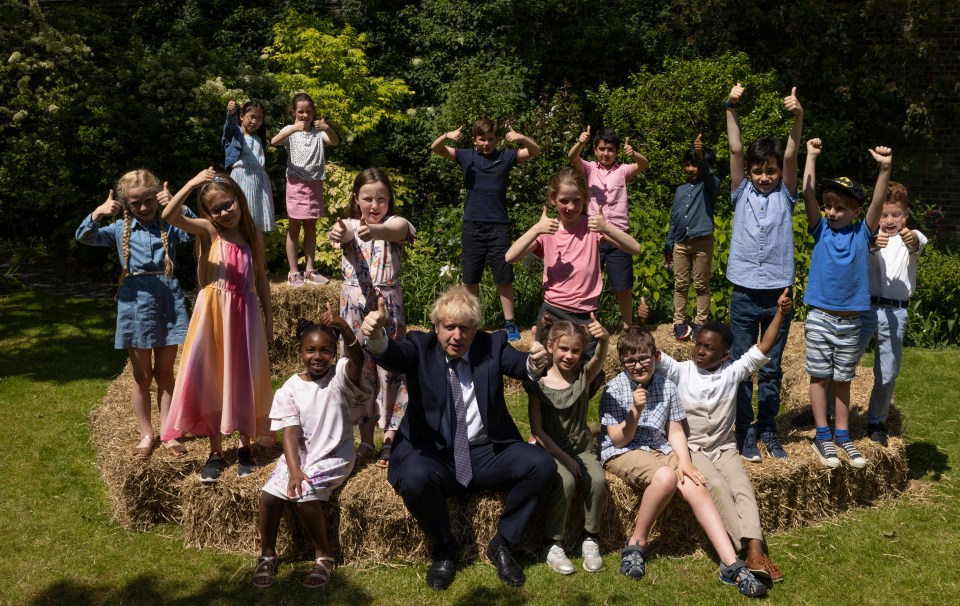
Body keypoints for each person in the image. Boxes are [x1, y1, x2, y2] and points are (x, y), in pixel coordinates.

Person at [360, 285, 556, 590]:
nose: (456, 335)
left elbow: (520, 365)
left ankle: (503, 543)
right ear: (436, 327)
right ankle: (444, 548)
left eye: (464, 328)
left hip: (486, 452)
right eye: (449, 327)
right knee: (414, 478)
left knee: (542, 465)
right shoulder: (420, 346)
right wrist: (376, 337)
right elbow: (395, 356)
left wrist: (536, 361)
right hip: (435, 454)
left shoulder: (491, 345)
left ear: (475, 329)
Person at [599, 326, 767, 597]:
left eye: (644, 358)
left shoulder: (666, 385)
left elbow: (675, 428)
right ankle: (635, 544)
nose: (638, 365)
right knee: (666, 476)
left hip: (659, 446)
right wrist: (635, 411)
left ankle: (731, 564)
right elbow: (618, 439)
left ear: (655, 357)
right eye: (631, 360)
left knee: (694, 482)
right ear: (621, 362)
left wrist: (686, 462)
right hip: (625, 450)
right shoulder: (615, 388)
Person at [655, 293, 792, 584]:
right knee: (715, 485)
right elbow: (652, 354)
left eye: (708, 348)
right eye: (698, 344)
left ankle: (756, 552)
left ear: (725, 354)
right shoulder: (681, 371)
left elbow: (764, 346)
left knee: (742, 486)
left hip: (724, 447)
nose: (700, 351)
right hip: (692, 450)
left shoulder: (733, 372)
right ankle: (742, 552)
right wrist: (640, 322)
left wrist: (779, 314)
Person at [160, 168, 274, 483]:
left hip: (245, 314)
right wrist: (193, 183)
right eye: (216, 209)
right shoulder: (210, 232)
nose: (225, 212)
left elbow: (262, 279)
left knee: (242, 377)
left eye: (229, 203)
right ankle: (215, 450)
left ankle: (245, 447)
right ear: (208, 213)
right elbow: (169, 215)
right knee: (211, 377)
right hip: (213, 314)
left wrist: (269, 318)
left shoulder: (253, 235)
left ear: (238, 198)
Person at [75, 169, 192, 459]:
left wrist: (177, 203)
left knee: (165, 373)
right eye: (136, 203)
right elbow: (84, 236)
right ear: (126, 204)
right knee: (142, 376)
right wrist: (99, 212)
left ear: (157, 196)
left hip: (168, 300)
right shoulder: (118, 230)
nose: (143, 207)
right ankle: (146, 433)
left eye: (149, 200)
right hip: (134, 302)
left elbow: (195, 230)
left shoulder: (170, 222)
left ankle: (167, 433)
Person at [253, 308, 369, 589]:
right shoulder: (290, 388)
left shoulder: (340, 375)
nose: (318, 357)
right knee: (269, 495)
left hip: (335, 455)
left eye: (325, 350)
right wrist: (293, 470)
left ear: (333, 352)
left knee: (304, 495)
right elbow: (290, 433)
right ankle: (267, 553)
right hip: (300, 456)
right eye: (311, 350)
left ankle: (323, 556)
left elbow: (358, 359)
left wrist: (344, 327)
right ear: (300, 352)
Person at [724, 83, 803, 462]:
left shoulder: (786, 195)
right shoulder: (741, 192)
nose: (764, 176)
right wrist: (730, 108)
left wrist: (797, 117)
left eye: (769, 170)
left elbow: (791, 153)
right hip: (742, 292)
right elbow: (735, 149)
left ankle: (768, 430)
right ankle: (744, 433)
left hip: (777, 296)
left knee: (770, 369)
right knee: (741, 365)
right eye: (758, 171)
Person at [801, 139, 891, 469]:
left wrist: (885, 169)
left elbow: (878, 204)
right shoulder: (821, 229)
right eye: (830, 206)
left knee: (843, 378)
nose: (833, 212)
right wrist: (810, 156)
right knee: (819, 376)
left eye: (841, 208)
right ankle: (821, 434)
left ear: (855, 211)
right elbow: (808, 194)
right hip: (821, 316)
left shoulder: (863, 234)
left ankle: (843, 435)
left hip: (851, 319)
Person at [505, 168, 641, 361]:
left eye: (577, 200)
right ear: (553, 199)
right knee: (544, 371)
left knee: (585, 375)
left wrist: (606, 227)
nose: (570, 207)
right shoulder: (548, 230)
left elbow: (635, 248)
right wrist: (536, 229)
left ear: (585, 198)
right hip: (552, 312)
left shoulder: (593, 227)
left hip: (586, 315)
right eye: (564, 201)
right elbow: (510, 257)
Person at [328, 168, 415, 466]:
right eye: (368, 199)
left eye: (381, 198)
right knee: (358, 368)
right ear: (356, 199)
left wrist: (375, 230)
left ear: (389, 200)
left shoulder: (393, 223)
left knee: (390, 370)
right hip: (353, 305)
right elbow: (345, 233)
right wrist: (343, 233)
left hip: (387, 305)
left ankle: (390, 437)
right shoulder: (349, 224)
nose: (375, 205)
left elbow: (400, 228)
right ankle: (365, 439)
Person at [430, 119, 541, 340]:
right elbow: (436, 148)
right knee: (471, 278)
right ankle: (472, 322)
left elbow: (535, 151)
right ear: (474, 140)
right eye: (482, 139)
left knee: (504, 277)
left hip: (499, 225)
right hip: (472, 225)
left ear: (496, 140)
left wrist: (521, 138)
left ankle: (510, 324)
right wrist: (446, 135)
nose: (486, 143)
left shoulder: (506, 157)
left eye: (490, 139)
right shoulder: (466, 156)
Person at [524, 314, 609, 575]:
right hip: (550, 450)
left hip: (581, 448)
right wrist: (566, 459)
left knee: (598, 481)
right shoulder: (537, 383)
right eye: (563, 348)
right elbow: (537, 430)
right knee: (566, 482)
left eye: (575, 350)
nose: (569, 356)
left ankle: (590, 536)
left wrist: (604, 339)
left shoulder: (583, 377)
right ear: (550, 347)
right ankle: (553, 543)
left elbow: (600, 358)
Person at [859, 181, 926, 446]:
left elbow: (917, 241)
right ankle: (828, 410)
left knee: (887, 372)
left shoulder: (911, 238)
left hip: (896, 312)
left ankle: (876, 421)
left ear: (905, 215)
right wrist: (872, 244)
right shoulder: (870, 236)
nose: (889, 220)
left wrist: (912, 238)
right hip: (865, 308)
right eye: (884, 214)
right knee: (845, 363)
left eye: (895, 215)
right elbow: (864, 247)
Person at [568, 126, 648, 328]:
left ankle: (628, 325)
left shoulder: (622, 170)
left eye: (611, 149)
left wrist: (634, 154)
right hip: (594, 234)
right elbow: (572, 157)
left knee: (623, 286)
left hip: (619, 235)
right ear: (595, 150)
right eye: (602, 149)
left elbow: (643, 164)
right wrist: (580, 142)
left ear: (617, 152)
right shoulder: (589, 169)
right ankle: (585, 323)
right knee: (587, 282)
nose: (606, 153)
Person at [271, 92, 340, 287]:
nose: (304, 115)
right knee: (294, 228)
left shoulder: (319, 133)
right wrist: (293, 128)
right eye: (300, 111)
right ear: (293, 112)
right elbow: (274, 141)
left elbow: (334, 142)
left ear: (313, 112)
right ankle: (294, 272)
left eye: (308, 111)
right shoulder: (289, 131)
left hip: (315, 184)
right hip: (296, 184)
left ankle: (310, 270)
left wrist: (327, 127)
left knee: (311, 228)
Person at [664, 134, 720, 341]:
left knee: (701, 284)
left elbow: (707, 174)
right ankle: (679, 322)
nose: (691, 169)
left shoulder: (710, 185)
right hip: (680, 242)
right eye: (688, 165)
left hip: (702, 241)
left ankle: (700, 323)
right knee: (680, 284)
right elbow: (674, 218)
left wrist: (700, 157)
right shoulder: (680, 190)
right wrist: (668, 245)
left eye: (694, 165)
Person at [223, 99, 275, 237]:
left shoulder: (259, 139)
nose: (254, 121)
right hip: (241, 179)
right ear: (241, 116)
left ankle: (258, 257)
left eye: (259, 119)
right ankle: (240, 254)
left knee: (256, 225)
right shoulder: (235, 134)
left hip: (259, 184)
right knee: (240, 219)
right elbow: (229, 125)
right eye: (251, 116)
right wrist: (231, 113)